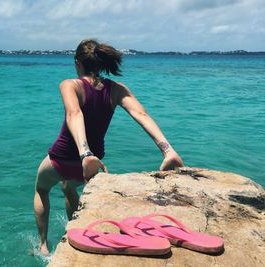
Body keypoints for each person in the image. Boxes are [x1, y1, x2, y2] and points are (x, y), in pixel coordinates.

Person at [33, 39, 184, 255]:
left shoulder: (70, 85)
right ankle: (75, 232)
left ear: (78, 63)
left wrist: (84, 153)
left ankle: (43, 246)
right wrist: (167, 150)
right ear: (102, 63)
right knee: (68, 187)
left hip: (63, 158)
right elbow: (141, 115)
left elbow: (74, 114)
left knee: (41, 189)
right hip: (91, 165)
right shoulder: (116, 90)